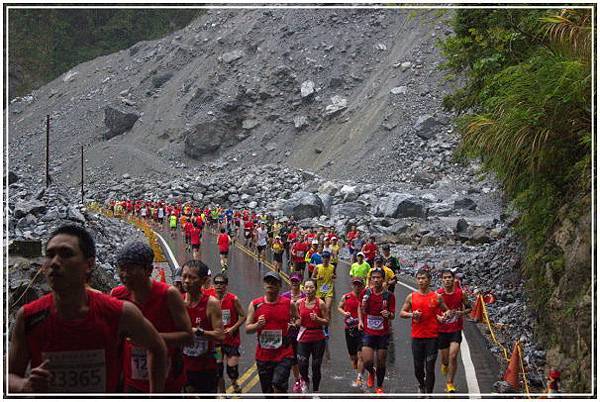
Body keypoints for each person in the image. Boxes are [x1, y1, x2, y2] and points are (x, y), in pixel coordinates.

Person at [9, 225, 168, 393]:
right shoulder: (29, 317)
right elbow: (9, 376)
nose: (55, 262)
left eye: (66, 254)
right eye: (50, 255)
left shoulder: (119, 312)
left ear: (89, 264)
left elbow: (158, 348)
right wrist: (24, 386)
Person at [111, 241, 193, 393]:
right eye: (121, 269)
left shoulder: (168, 295)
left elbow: (188, 337)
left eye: (130, 269)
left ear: (148, 270)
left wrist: (150, 338)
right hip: (131, 381)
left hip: (168, 381)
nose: (124, 275)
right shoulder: (117, 295)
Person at [245, 271, 299, 395]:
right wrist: (257, 325)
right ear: (264, 285)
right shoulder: (255, 304)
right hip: (263, 356)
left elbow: (298, 318)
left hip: (284, 354)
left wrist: (294, 325)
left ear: (279, 286)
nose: (270, 284)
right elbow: (247, 329)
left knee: (278, 385)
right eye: (268, 282)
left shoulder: (288, 303)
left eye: (273, 282)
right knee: (268, 392)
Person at [400, 268, 449, 394]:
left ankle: (429, 395)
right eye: (419, 278)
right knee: (418, 368)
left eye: (423, 278)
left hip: (432, 337)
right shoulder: (411, 297)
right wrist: (412, 314)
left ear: (429, 280)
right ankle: (421, 384)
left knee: (430, 367)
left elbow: (446, 311)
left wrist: (445, 317)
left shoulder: (437, 297)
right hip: (417, 337)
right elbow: (402, 313)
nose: (421, 281)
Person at [180, 260, 225, 393]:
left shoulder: (212, 303)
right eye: (184, 276)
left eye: (192, 277)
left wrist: (199, 332)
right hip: (184, 366)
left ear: (203, 280)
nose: (187, 281)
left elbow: (220, 335)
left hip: (206, 367)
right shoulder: (177, 301)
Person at [357, 268, 396, 394]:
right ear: (370, 279)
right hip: (368, 331)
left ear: (383, 279)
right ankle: (371, 373)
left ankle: (379, 386)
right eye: (373, 277)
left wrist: (388, 314)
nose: (376, 280)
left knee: (381, 361)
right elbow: (361, 309)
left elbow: (393, 315)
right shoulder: (366, 293)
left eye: (378, 277)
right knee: (367, 360)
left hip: (383, 333)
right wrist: (361, 320)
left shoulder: (389, 296)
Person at [437, 269, 471, 393]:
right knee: (445, 359)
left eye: (449, 277)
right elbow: (432, 311)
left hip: (455, 329)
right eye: (445, 278)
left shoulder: (460, 293)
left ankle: (450, 383)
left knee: (453, 356)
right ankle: (444, 365)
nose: (447, 280)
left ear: (454, 279)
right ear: (442, 280)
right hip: (442, 330)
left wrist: (461, 313)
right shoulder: (438, 294)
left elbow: (469, 308)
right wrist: (439, 317)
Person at [213, 273, 246, 394]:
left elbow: (243, 316)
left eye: (221, 283)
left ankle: (234, 382)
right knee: (218, 368)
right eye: (216, 283)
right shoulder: (210, 298)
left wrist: (233, 328)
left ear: (226, 285)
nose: (219, 286)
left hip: (231, 341)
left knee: (232, 369)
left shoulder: (233, 299)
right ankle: (222, 393)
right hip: (216, 342)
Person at [296, 279, 329, 393]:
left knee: (316, 366)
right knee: (302, 364)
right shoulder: (299, 303)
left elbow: (326, 321)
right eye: (307, 287)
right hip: (304, 336)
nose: (309, 290)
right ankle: (305, 379)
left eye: (311, 287)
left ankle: (316, 391)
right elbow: (295, 319)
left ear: (316, 289)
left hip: (318, 337)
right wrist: (295, 323)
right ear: (303, 289)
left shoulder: (321, 303)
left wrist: (318, 319)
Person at [338, 277, 366, 388]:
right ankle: (358, 368)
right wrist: (344, 313)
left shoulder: (365, 298)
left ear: (362, 286)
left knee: (361, 356)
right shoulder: (346, 296)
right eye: (355, 284)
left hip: (362, 329)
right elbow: (339, 307)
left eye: (359, 285)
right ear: (352, 285)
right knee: (353, 357)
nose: (357, 287)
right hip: (349, 329)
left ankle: (359, 377)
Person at [281, 273, 306, 392]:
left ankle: (304, 376)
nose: (294, 283)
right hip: (289, 332)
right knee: (293, 358)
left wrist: (298, 323)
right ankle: (297, 380)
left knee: (302, 358)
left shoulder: (306, 296)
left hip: (303, 332)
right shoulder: (284, 296)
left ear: (300, 282)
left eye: (296, 281)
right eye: (292, 281)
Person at [312, 251, 336, 324]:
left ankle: (327, 324)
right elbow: (312, 277)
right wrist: (317, 279)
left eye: (327, 258)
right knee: (319, 309)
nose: (325, 259)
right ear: (321, 258)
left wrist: (333, 276)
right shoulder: (318, 267)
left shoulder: (332, 267)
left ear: (329, 259)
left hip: (329, 290)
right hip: (319, 291)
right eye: (324, 257)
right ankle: (320, 322)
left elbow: (335, 276)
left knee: (327, 308)